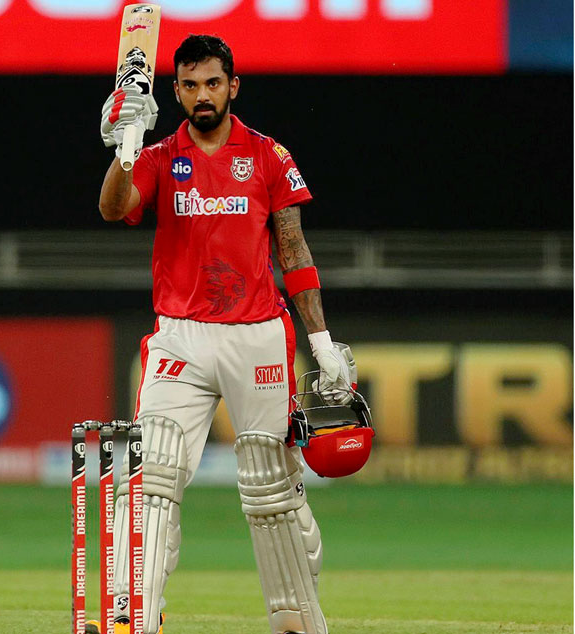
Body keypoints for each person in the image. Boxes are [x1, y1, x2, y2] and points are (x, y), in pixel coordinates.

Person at [93, 35, 355, 634]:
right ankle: (133, 617)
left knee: (272, 487)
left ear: (233, 85)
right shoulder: (158, 156)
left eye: (213, 83)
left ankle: (296, 620)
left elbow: (293, 249)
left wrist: (320, 341)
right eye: (190, 85)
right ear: (176, 91)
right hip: (180, 337)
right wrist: (124, 148)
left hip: (257, 334)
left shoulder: (267, 155)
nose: (203, 95)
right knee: (151, 474)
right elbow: (112, 207)